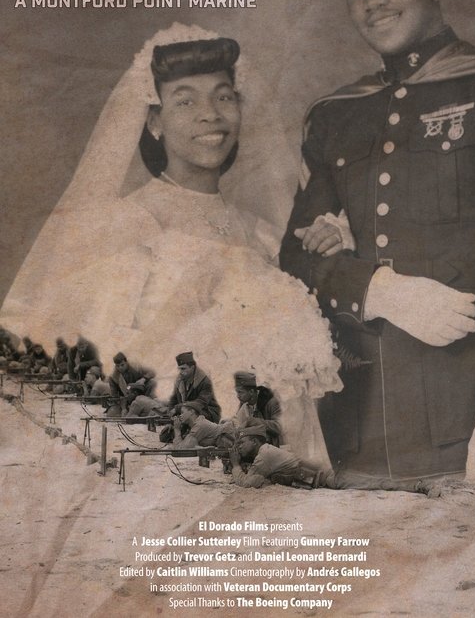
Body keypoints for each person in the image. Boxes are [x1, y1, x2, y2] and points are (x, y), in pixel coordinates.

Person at [0, 23, 344, 461]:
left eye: (224, 96)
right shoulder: (126, 224)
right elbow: (102, 372)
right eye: (185, 100)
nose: (210, 114)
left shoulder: (262, 231)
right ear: (154, 121)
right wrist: (192, 303)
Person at [280, 0, 475, 484]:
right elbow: (295, 257)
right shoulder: (336, 115)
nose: (372, 1)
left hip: (469, 431)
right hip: (355, 432)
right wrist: (376, 289)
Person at [232, 371, 282, 445]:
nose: (238, 396)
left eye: (240, 392)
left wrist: (255, 421)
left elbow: (279, 427)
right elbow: (238, 424)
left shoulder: (271, 402)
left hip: (273, 447)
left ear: (251, 392)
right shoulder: (244, 405)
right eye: (237, 392)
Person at [169, 401, 235, 449]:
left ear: (192, 411)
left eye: (182, 412)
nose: (180, 415)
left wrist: (177, 429)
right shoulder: (197, 424)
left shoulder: (200, 425)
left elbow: (181, 449)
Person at [106, 352, 156, 416]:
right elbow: (115, 396)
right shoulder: (113, 377)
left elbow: (152, 372)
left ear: (126, 362)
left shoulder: (136, 367)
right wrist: (123, 408)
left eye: (122, 365)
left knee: (152, 383)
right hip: (127, 398)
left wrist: (143, 379)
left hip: (142, 392)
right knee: (112, 414)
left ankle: (148, 405)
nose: (120, 368)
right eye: (118, 366)